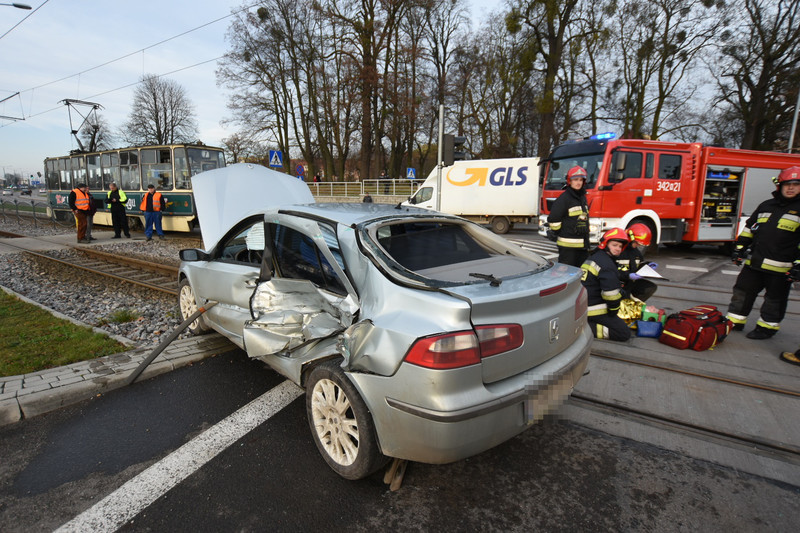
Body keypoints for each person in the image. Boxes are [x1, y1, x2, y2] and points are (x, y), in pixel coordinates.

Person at [726, 166, 800, 339]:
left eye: (796, 184)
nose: (791, 188)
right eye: (788, 184)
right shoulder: (766, 205)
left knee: (774, 300)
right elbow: (750, 229)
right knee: (741, 292)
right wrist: (739, 248)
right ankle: (735, 321)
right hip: (754, 263)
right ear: (779, 185)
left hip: (781, 268)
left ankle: (767, 328)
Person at [581, 227, 632, 342]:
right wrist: (614, 311)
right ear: (605, 244)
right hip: (594, 308)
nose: (618, 249)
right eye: (614, 245)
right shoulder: (607, 264)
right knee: (623, 333)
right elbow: (610, 295)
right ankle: (584, 328)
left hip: (584, 304)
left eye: (620, 246)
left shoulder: (595, 257)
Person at [548, 165, 590, 267]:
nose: (578, 182)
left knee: (579, 274)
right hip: (568, 248)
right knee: (566, 274)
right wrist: (559, 232)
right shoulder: (564, 198)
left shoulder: (582, 197)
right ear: (569, 181)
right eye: (575, 179)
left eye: (581, 180)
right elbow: (554, 219)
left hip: (582, 246)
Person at [616, 223, 658, 302]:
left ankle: (632, 305)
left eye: (640, 244)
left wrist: (647, 265)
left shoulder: (635, 251)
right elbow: (610, 271)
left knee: (650, 287)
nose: (638, 245)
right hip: (617, 283)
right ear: (630, 237)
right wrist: (628, 275)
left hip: (629, 282)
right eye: (637, 243)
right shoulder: (618, 250)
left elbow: (637, 265)